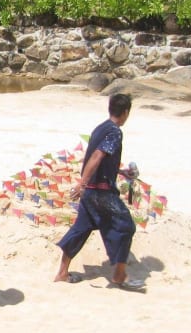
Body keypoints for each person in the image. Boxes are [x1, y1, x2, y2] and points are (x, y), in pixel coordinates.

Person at [54, 92, 145, 291]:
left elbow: (101, 160)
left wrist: (121, 172)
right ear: (126, 112)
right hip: (100, 193)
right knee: (126, 226)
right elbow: (96, 156)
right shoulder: (115, 132)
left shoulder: (100, 128)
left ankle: (62, 272)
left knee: (81, 229)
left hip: (91, 192)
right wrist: (82, 184)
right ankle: (120, 275)